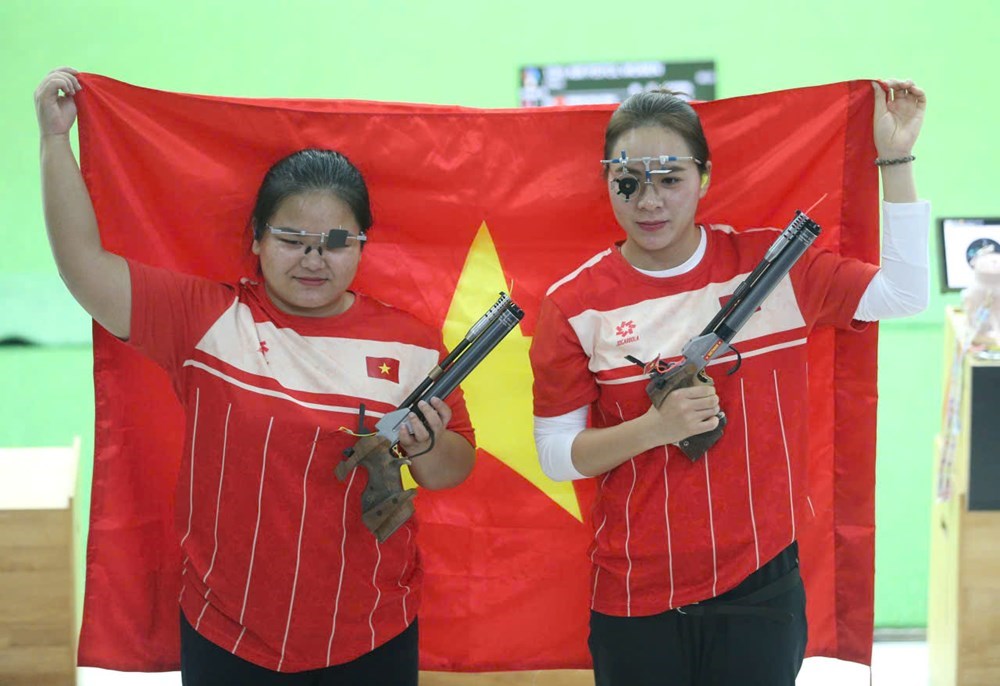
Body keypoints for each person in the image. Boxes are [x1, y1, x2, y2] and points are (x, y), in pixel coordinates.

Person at [35, 67, 476, 685]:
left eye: (336, 242)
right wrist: (55, 140)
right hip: (226, 633)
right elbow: (83, 266)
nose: (314, 259)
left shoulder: (410, 344)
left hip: (373, 631)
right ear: (257, 240)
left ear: (362, 245)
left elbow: (452, 468)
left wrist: (427, 445)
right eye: (292, 239)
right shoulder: (204, 319)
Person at [529, 80, 928, 685]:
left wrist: (895, 160)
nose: (649, 201)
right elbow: (556, 455)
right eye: (627, 181)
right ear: (606, 182)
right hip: (635, 591)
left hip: (760, 586)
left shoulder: (774, 268)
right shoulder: (574, 304)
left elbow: (903, 294)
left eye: (670, 179)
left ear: (705, 177)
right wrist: (655, 429)